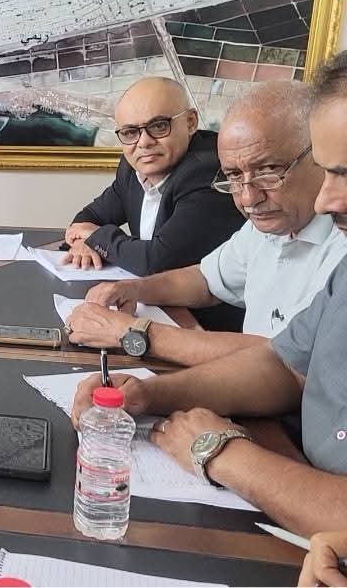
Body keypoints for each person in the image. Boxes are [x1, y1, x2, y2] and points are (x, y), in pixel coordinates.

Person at [69, 52, 347, 536]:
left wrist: (220, 452)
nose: (327, 199)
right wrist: (146, 395)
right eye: (330, 172)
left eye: (269, 170)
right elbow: (286, 364)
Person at [66, 82, 347, 367]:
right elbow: (206, 281)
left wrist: (132, 333)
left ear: (320, 157)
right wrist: (133, 289)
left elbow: (286, 360)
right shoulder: (269, 225)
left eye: (268, 171)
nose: (248, 198)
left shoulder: (339, 249)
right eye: (233, 176)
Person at [63, 77, 244, 276]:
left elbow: (156, 262)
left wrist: (96, 237)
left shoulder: (208, 172)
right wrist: (83, 244)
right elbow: (87, 219)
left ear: (190, 122)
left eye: (159, 126)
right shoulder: (132, 168)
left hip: (206, 295)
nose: (144, 142)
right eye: (130, 132)